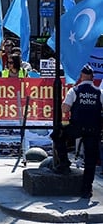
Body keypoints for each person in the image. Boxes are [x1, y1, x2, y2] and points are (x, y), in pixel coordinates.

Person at [51, 65, 103, 199]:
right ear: (92, 77)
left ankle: (64, 163)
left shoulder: (74, 90)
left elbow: (65, 109)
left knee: (57, 135)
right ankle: (86, 190)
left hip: (77, 127)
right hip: (93, 129)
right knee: (90, 161)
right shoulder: (99, 92)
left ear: (81, 76)